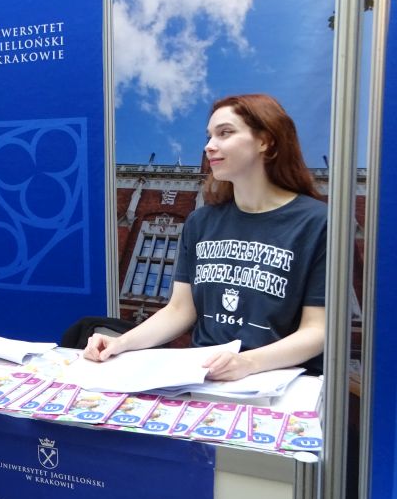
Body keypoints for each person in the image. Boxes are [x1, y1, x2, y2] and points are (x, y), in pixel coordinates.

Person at [84, 93, 326, 380]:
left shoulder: (316, 222)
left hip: (278, 382)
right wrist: (121, 343)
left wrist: (248, 362)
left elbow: (318, 330)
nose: (209, 146)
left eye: (225, 133)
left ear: (265, 141)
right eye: (209, 136)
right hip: (203, 375)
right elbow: (180, 310)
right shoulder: (201, 222)